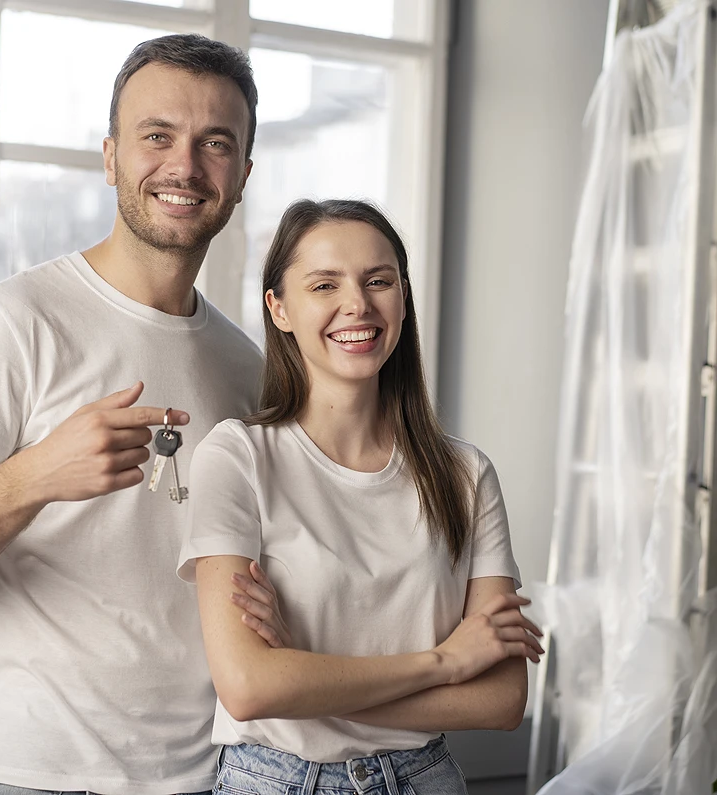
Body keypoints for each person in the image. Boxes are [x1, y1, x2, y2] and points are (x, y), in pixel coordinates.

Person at [0, 33, 280, 795]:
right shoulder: (15, 321)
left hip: (212, 773)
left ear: (244, 174)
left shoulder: (248, 367)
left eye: (215, 143)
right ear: (110, 157)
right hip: (37, 774)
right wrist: (36, 474)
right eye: (156, 136)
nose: (184, 166)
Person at [178, 199, 544, 795]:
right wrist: (445, 663)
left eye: (379, 281)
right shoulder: (238, 456)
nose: (358, 304)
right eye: (325, 284)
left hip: (426, 779)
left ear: (402, 299)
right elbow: (248, 687)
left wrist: (307, 674)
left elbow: (501, 700)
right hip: (275, 780)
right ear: (280, 308)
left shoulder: (465, 475)